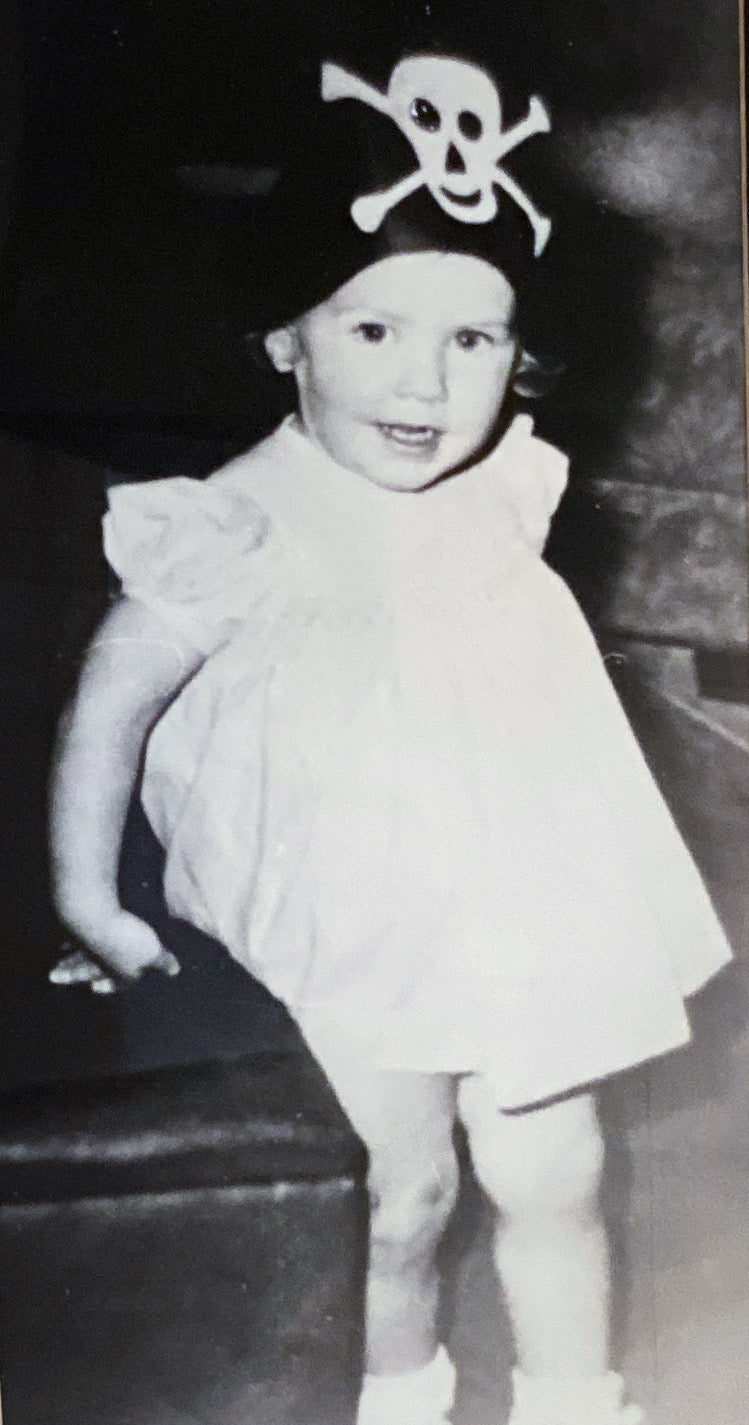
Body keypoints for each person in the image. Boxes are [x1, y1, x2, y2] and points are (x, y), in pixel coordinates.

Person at [50, 54, 732, 1425]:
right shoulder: (239, 523)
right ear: (284, 338)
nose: (423, 383)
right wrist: (86, 894)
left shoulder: (502, 491)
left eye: (472, 341)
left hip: (519, 886)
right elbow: (107, 705)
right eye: (372, 330)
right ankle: (396, 1396)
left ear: (518, 357)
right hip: (346, 905)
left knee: (555, 1171)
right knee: (401, 1188)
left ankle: (572, 1398)